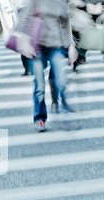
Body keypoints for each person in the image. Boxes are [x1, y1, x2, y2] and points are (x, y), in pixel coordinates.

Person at [18, 0, 78, 131]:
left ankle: (60, 110)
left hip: (55, 46)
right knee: (39, 85)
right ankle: (39, 118)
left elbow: (65, 22)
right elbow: (24, 19)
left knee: (61, 80)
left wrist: (71, 45)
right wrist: (25, 41)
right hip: (37, 47)